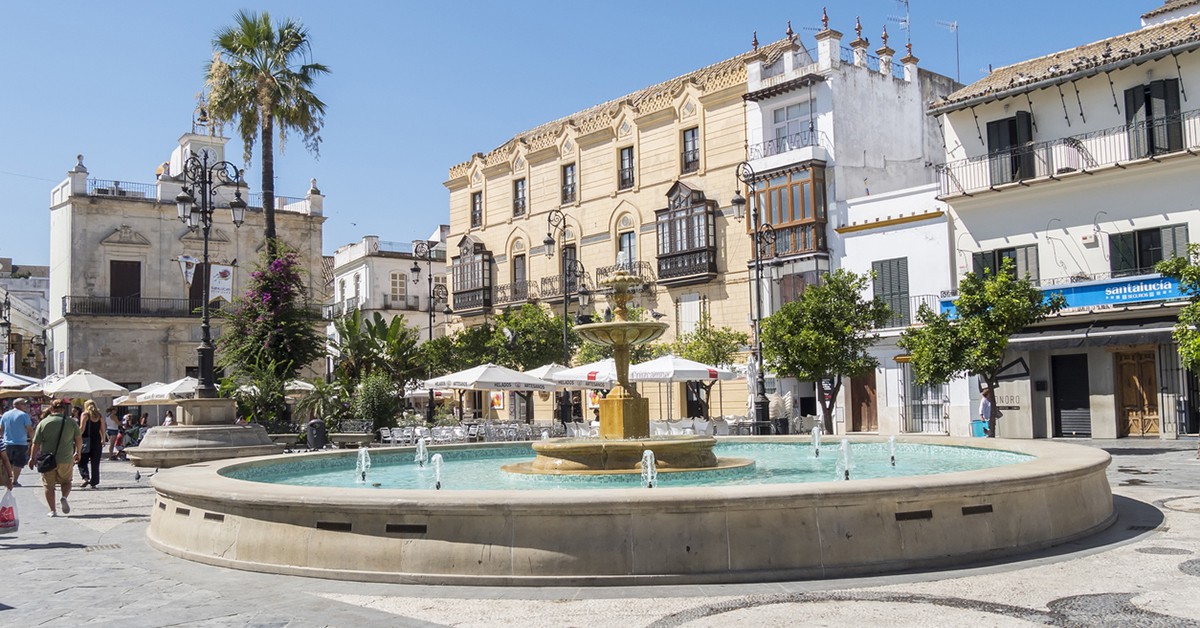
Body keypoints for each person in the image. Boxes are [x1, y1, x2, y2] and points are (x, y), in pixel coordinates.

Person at [28, 399, 82, 517]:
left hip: (48, 460)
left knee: (48, 485)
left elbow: (35, 443)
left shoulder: (43, 423)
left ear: (51, 409)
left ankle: (53, 510)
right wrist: (78, 452)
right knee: (67, 481)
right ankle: (63, 497)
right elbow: (78, 439)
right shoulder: (71, 422)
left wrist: (32, 458)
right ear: (64, 409)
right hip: (66, 458)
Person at [1, 398, 35, 488]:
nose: (26, 406)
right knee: (18, 463)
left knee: (8, 462)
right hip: (20, 443)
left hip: (7, 443)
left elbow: (1, 429)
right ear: (18, 405)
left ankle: (8, 479)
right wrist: (33, 440)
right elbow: (30, 430)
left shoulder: (5, 415)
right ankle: (15, 481)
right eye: (24, 404)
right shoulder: (24, 415)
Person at [77, 400, 105, 488]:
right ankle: (94, 482)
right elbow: (103, 429)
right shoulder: (99, 415)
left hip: (85, 441)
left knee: (82, 460)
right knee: (95, 463)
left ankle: (86, 478)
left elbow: (81, 429)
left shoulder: (85, 415)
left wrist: (76, 437)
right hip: (97, 441)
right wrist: (103, 439)